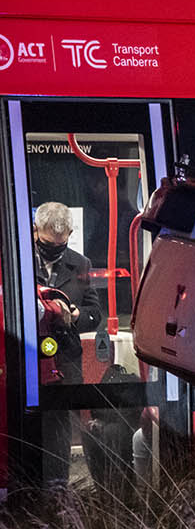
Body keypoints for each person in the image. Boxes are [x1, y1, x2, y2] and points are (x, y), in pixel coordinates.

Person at [33, 201, 102, 487]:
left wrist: (75, 316)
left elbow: (95, 313)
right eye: (48, 243)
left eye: (60, 245)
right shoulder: (16, 260)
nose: (54, 249)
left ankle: (58, 483)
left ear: (71, 233)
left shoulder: (81, 264)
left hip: (64, 357)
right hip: (28, 352)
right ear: (35, 231)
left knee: (59, 423)